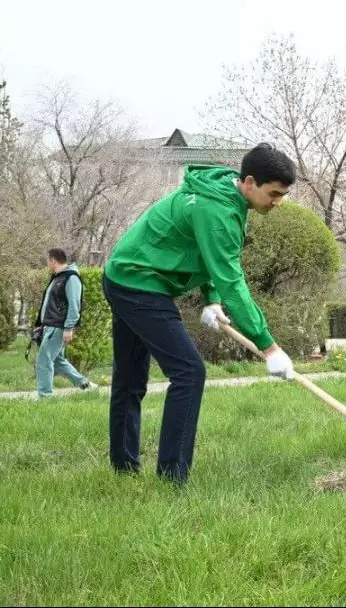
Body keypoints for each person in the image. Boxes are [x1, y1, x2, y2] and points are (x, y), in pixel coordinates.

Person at [102, 143, 297, 485]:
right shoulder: (218, 209)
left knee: (131, 380)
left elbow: (204, 252)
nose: (278, 202)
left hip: (130, 276)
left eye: (282, 195)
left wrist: (211, 299)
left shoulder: (226, 195)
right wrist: (269, 346)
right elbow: (232, 279)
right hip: (138, 283)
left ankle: (124, 470)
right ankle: (171, 479)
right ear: (249, 182)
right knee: (189, 372)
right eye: (274, 193)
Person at [32, 248, 97, 398]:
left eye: (48, 261)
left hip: (59, 326)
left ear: (53, 261)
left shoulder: (71, 278)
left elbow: (75, 305)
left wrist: (69, 328)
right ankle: (86, 385)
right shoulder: (57, 278)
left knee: (44, 359)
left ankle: (45, 396)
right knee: (58, 361)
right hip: (51, 326)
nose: (47, 264)